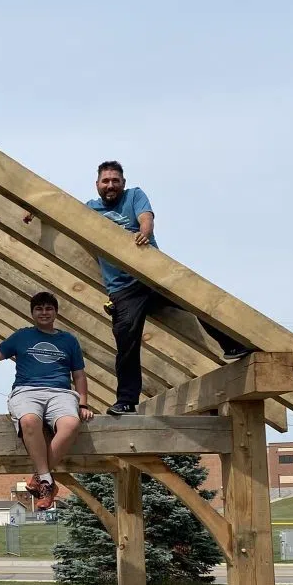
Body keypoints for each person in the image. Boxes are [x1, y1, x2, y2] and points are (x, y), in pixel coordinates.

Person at [86, 161, 250, 416]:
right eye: (106, 181)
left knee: (196, 298)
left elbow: (146, 217)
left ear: (123, 183)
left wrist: (144, 232)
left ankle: (233, 344)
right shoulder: (89, 210)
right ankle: (127, 400)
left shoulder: (134, 195)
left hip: (151, 275)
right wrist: (33, 213)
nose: (110, 185)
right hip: (123, 289)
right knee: (127, 342)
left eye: (115, 181)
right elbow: (56, 210)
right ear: (97, 185)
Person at [0, 291, 94, 510]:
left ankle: (41, 477)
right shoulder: (22, 336)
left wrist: (82, 403)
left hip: (60, 393)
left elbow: (79, 375)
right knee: (29, 421)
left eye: (48, 308)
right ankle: (47, 482)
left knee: (71, 424)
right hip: (27, 391)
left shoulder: (68, 340)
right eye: (39, 309)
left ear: (55, 312)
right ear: (32, 313)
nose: (44, 312)